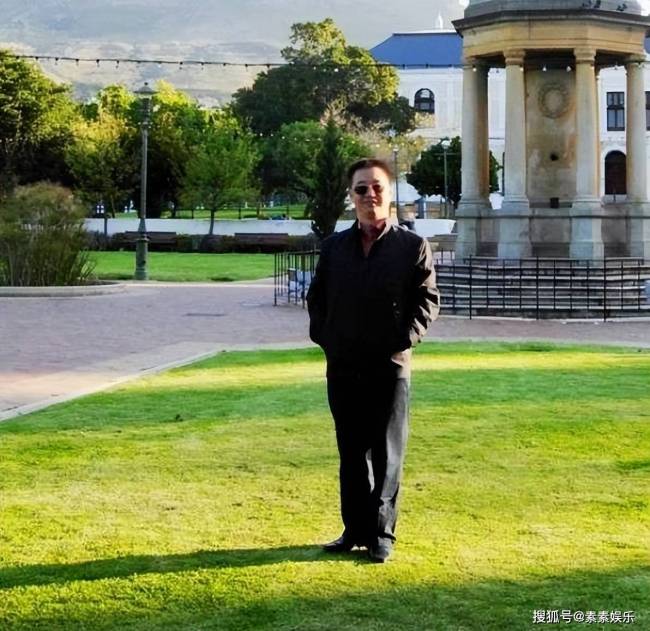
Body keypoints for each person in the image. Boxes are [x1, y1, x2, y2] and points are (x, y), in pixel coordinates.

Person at [306, 158, 440, 563]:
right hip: (344, 365)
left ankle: (381, 534)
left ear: (390, 192)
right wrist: (327, 339)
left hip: (389, 365)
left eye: (377, 187)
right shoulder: (334, 248)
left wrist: (401, 341)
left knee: (386, 453)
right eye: (361, 188)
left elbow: (427, 302)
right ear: (351, 196)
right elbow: (317, 299)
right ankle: (354, 529)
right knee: (350, 453)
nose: (370, 195)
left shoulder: (411, 247)